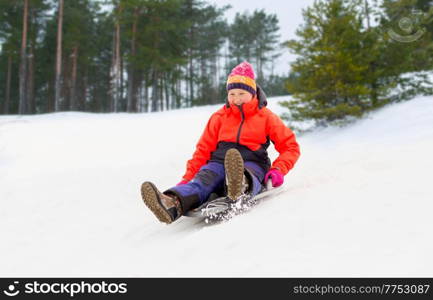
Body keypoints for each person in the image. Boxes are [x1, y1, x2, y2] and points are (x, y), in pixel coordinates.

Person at [141, 61, 300, 224]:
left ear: (253, 93)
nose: (236, 99)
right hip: (218, 162)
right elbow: (203, 151)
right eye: (232, 94)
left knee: (248, 174)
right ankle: (172, 203)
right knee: (203, 180)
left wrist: (278, 169)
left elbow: (290, 147)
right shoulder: (219, 117)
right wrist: (187, 179)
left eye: (241, 93)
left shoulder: (266, 117)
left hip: (254, 162)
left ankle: (240, 186)